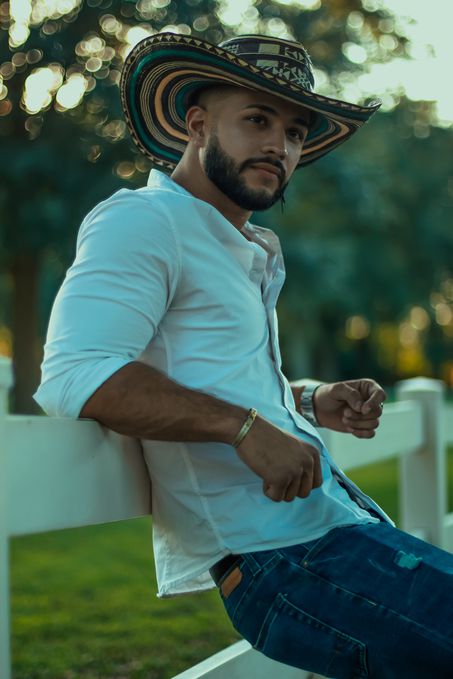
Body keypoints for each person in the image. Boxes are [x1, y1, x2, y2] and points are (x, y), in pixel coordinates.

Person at [34, 32, 453, 678]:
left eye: (294, 132)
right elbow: (75, 373)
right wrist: (244, 428)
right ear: (197, 125)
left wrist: (309, 400)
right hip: (281, 558)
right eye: (257, 120)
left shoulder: (240, 246)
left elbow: (221, 377)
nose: (279, 146)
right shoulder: (145, 221)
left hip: (331, 529)